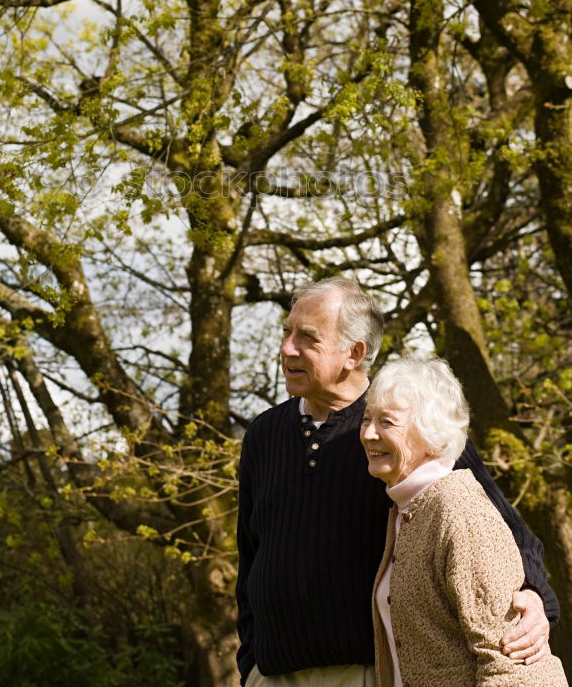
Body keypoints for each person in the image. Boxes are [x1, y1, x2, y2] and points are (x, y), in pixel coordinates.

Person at [236, 276, 559, 687]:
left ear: (354, 353)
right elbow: (249, 560)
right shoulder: (263, 435)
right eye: (286, 332)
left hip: (368, 673)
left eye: (307, 338)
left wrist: (533, 595)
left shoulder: (408, 430)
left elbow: (495, 525)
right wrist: (250, 663)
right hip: (272, 676)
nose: (287, 349)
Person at [360, 355, 567, 687]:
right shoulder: (408, 509)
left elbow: (511, 664)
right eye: (367, 419)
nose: (369, 433)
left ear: (430, 431)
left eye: (386, 422)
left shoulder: (457, 507)